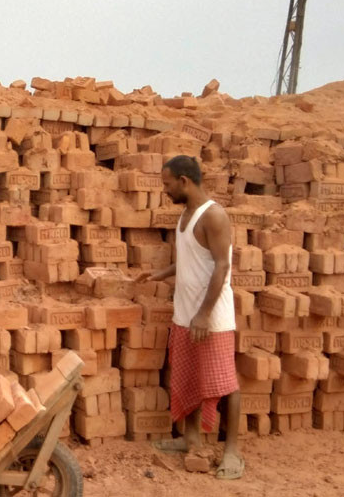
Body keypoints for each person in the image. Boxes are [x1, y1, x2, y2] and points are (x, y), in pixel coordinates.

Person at [136, 155, 244, 480]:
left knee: (224, 382)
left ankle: (232, 452)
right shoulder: (184, 216)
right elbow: (189, 260)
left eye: (167, 184)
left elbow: (222, 266)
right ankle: (190, 438)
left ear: (184, 181)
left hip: (211, 317)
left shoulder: (214, 216)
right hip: (186, 313)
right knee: (189, 376)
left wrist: (204, 314)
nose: (165, 190)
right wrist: (160, 274)